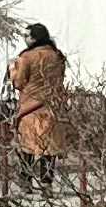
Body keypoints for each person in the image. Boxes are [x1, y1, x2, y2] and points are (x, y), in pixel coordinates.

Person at [10, 25, 71, 176]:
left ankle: (26, 182)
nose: (25, 39)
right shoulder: (57, 56)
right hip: (52, 107)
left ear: (35, 38)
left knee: (26, 147)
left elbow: (18, 83)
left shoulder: (26, 57)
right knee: (48, 148)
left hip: (30, 108)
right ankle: (47, 183)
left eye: (28, 36)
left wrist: (12, 68)